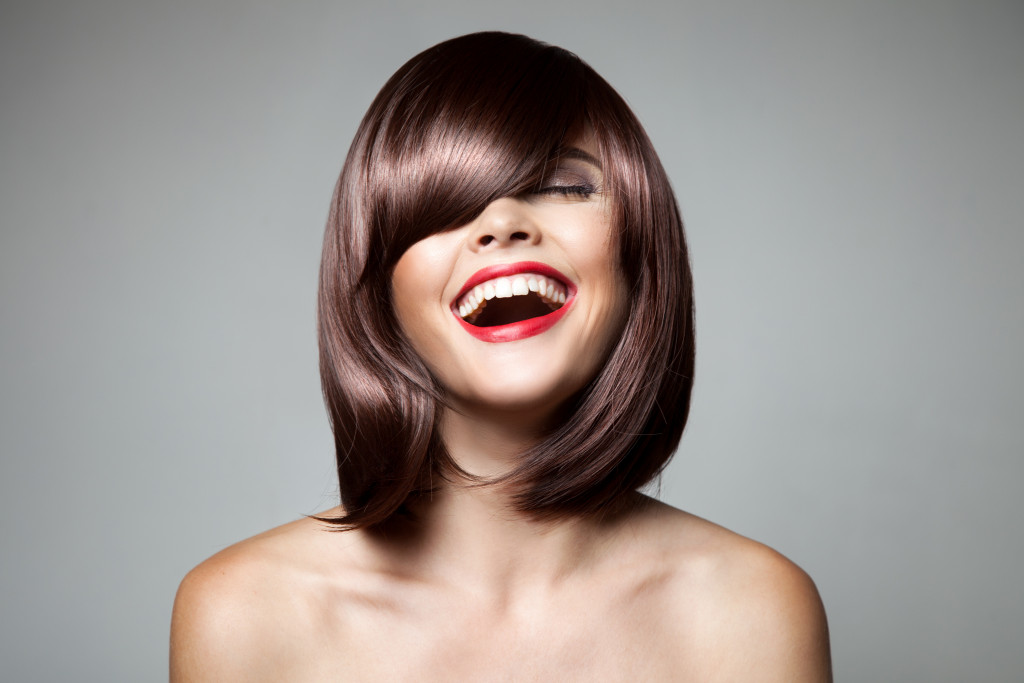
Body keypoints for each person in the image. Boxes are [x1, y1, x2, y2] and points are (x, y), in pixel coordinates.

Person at [170, 32, 831, 681]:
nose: (503, 220)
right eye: (446, 201)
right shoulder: (243, 617)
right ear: (380, 291)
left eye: (567, 185)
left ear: (638, 252)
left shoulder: (753, 611)